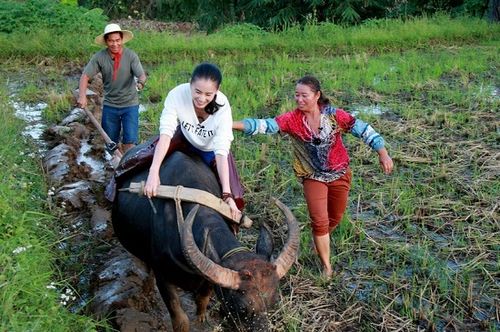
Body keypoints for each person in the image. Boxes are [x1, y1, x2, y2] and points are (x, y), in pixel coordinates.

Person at [233, 75, 393, 278]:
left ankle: (318, 239)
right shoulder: (292, 120)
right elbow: (265, 125)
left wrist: (383, 153)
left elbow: (364, 130)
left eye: (304, 96)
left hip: (340, 174)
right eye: (296, 95)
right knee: (320, 221)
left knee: (334, 218)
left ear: (317, 95)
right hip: (312, 176)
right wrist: (230, 124)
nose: (299, 100)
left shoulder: (335, 116)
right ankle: (327, 267)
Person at [143, 63, 242, 220]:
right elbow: (166, 133)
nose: (202, 99)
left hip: (210, 150)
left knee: (236, 197)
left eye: (208, 94)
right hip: (184, 139)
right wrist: (154, 172)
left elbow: (221, 150)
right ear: (190, 83)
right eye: (197, 92)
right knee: (143, 156)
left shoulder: (223, 108)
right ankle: (117, 183)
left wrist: (227, 194)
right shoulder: (176, 95)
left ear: (217, 90)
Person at [77, 23, 147, 153]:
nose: (115, 44)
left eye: (117, 40)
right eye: (111, 41)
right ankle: (117, 162)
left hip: (130, 104)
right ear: (106, 42)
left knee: (130, 141)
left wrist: (141, 83)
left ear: (121, 40)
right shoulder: (100, 57)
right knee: (111, 142)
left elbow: (141, 75)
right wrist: (82, 96)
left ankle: (127, 164)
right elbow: (85, 76)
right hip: (110, 105)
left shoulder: (131, 56)